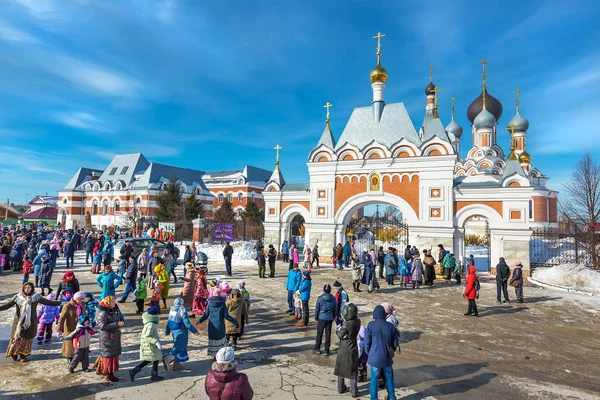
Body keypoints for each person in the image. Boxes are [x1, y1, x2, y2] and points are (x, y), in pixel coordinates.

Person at [0, 282, 61, 362]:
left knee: (27, 339)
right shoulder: (18, 297)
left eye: (29, 287)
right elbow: (7, 305)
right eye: (25, 288)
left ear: (32, 288)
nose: (27, 289)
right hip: (19, 322)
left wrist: (60, 303)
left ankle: (23, 356)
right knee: (16, 338)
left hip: (30, 322)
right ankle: (14, 353)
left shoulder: (36, 297)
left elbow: (48, 302)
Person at [365, 305, 399, 400]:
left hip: (374, 357)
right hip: (387, 358)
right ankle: (392, 397)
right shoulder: (391, 326)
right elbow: (395, 343)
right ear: (384, 314)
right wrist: (392, 350)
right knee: (389, 378)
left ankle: (374, 398)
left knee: (374, 380)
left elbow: (367, 342)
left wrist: (368, 352)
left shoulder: (371, 325)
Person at [196, 289, 238, 358]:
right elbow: (227, 316)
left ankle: (214, 356)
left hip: (211, 326)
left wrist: (199, 321)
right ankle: (221, 356)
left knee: (213, 340)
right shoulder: (222, 304)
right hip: (220, 326)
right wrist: (235, 322)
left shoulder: (210, 303)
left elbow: (206, 315)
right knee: (220, 341)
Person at [129, 306, 164, 382]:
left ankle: (154, 375)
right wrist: (156, 342)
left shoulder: (149, 322)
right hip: (151, 345)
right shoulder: (151, 324)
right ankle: (134, 371)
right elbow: (147, 337)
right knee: (150, 359)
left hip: (151, 345)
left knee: (155, 359)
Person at [164, 298, 199, 371]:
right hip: (181, 332)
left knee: (177, 346)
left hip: (174, 332)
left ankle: (176, 365)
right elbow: (187, 323)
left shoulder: (172, 309)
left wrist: (167, 331)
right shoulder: (182, 309)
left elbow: (169, 321)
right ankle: (168, 358)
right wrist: (195, 331)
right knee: (180, 348)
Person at [96, 296, 124, 382]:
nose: (114, 304)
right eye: (112, 302)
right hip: (107, 338)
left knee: (112, 355)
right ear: (107, 303)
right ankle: (108, 374)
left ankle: (103, 370)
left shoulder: (114, 310)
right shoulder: (103, 313)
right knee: (108, 356)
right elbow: (102, 326)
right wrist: (116, 324)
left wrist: (121, 321)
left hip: (114, 335)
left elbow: (120, 317)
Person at [334, 303, 360, 397]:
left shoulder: (346, 324)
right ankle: (354, 392)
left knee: (341, 368)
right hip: (353, 346)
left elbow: (340, 335)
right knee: (353, 370)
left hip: (344, 347)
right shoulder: (358, 321)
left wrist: (337, 330)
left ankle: (341, 388)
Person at [57, 291, 87, 363]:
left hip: (80, 326)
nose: (82, 301)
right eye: (81, 299)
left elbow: (84, 313)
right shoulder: (67, 306)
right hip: (70, 326)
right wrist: (59, 329)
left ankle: (78, 356)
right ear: (76, 299)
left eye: (83, 299)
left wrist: (87, 322)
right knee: (69, 343)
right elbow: (62, 318)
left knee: (79, 341)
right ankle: (69, 356)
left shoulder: (82, 304)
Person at [313, 284, 337, 356]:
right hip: (329, 317)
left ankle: (317, 348)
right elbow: (335, 309)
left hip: (322, 317)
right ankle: (327, 350)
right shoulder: (333, 298)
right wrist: (333, 317)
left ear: (324, 290)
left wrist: (316, 317)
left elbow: (317, 308)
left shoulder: (320, 298)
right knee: (328, 334)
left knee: (319, 334)